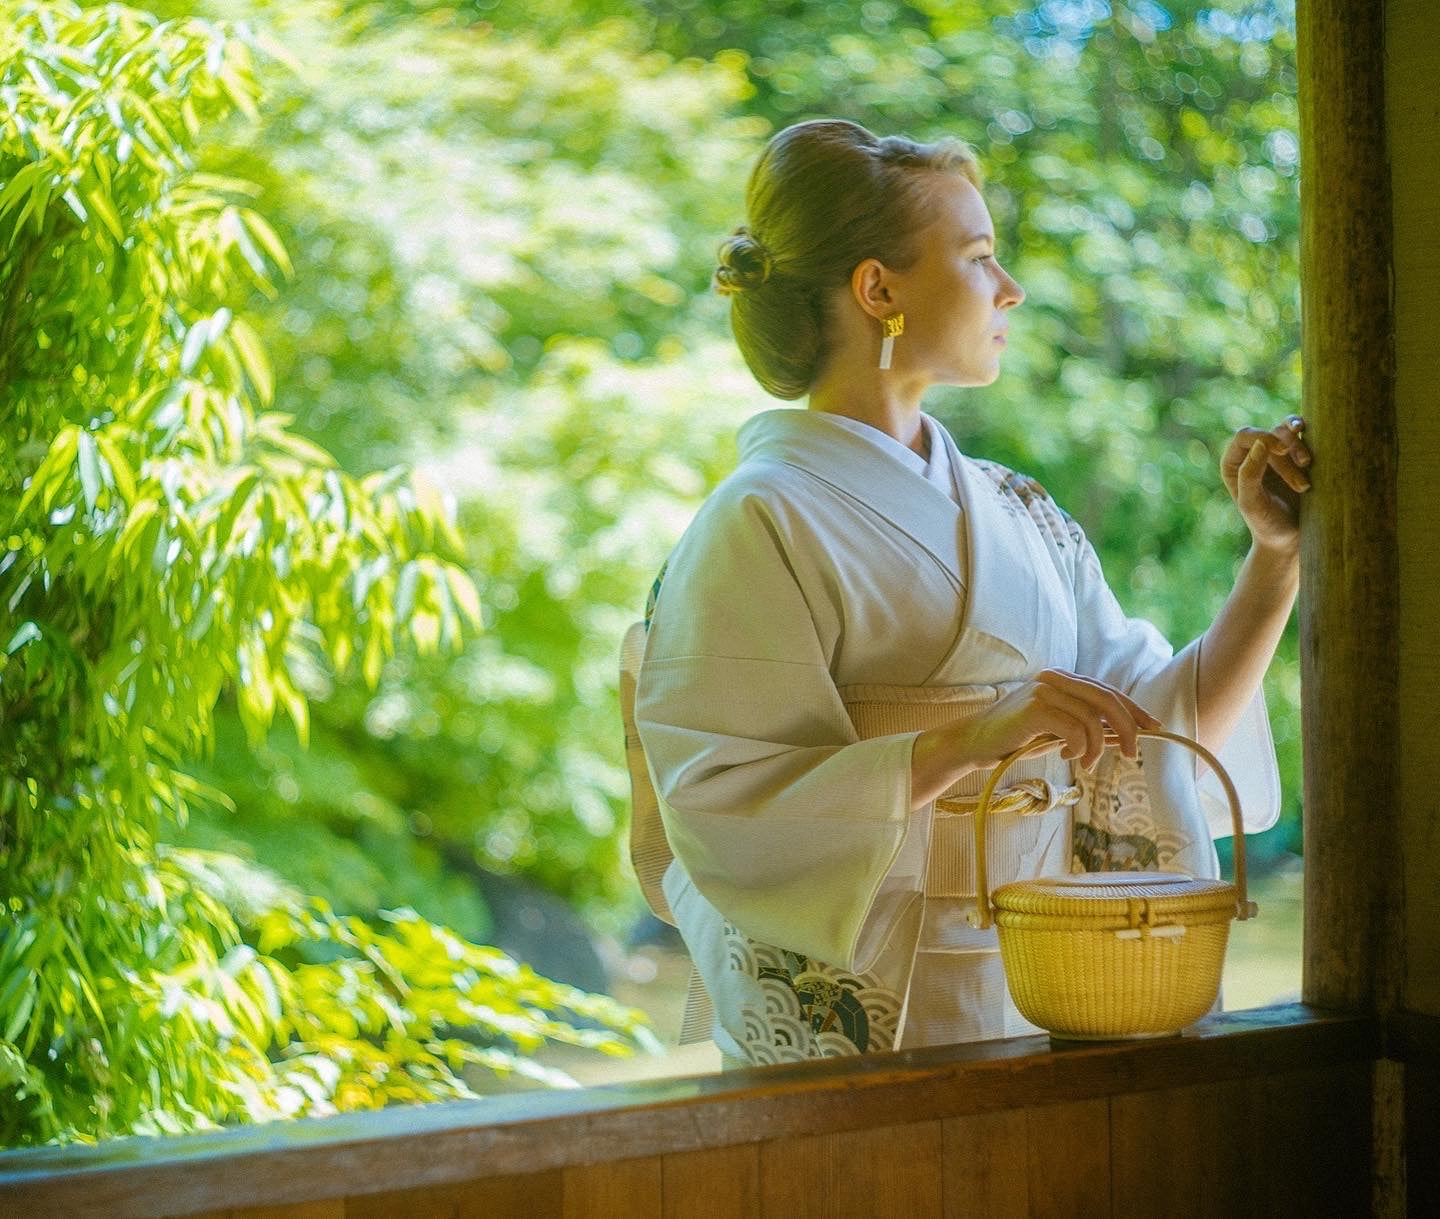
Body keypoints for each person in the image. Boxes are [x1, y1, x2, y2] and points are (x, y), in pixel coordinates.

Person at [631, 118, 1310, 1066]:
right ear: (880, 289)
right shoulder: (759, 518)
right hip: (864, 993)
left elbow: (1155, 733)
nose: (1011, 288)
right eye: (982, 256)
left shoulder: (1018, 506)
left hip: (1044, 974)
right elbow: (722, 800)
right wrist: (972, 740)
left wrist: (1273, 560)